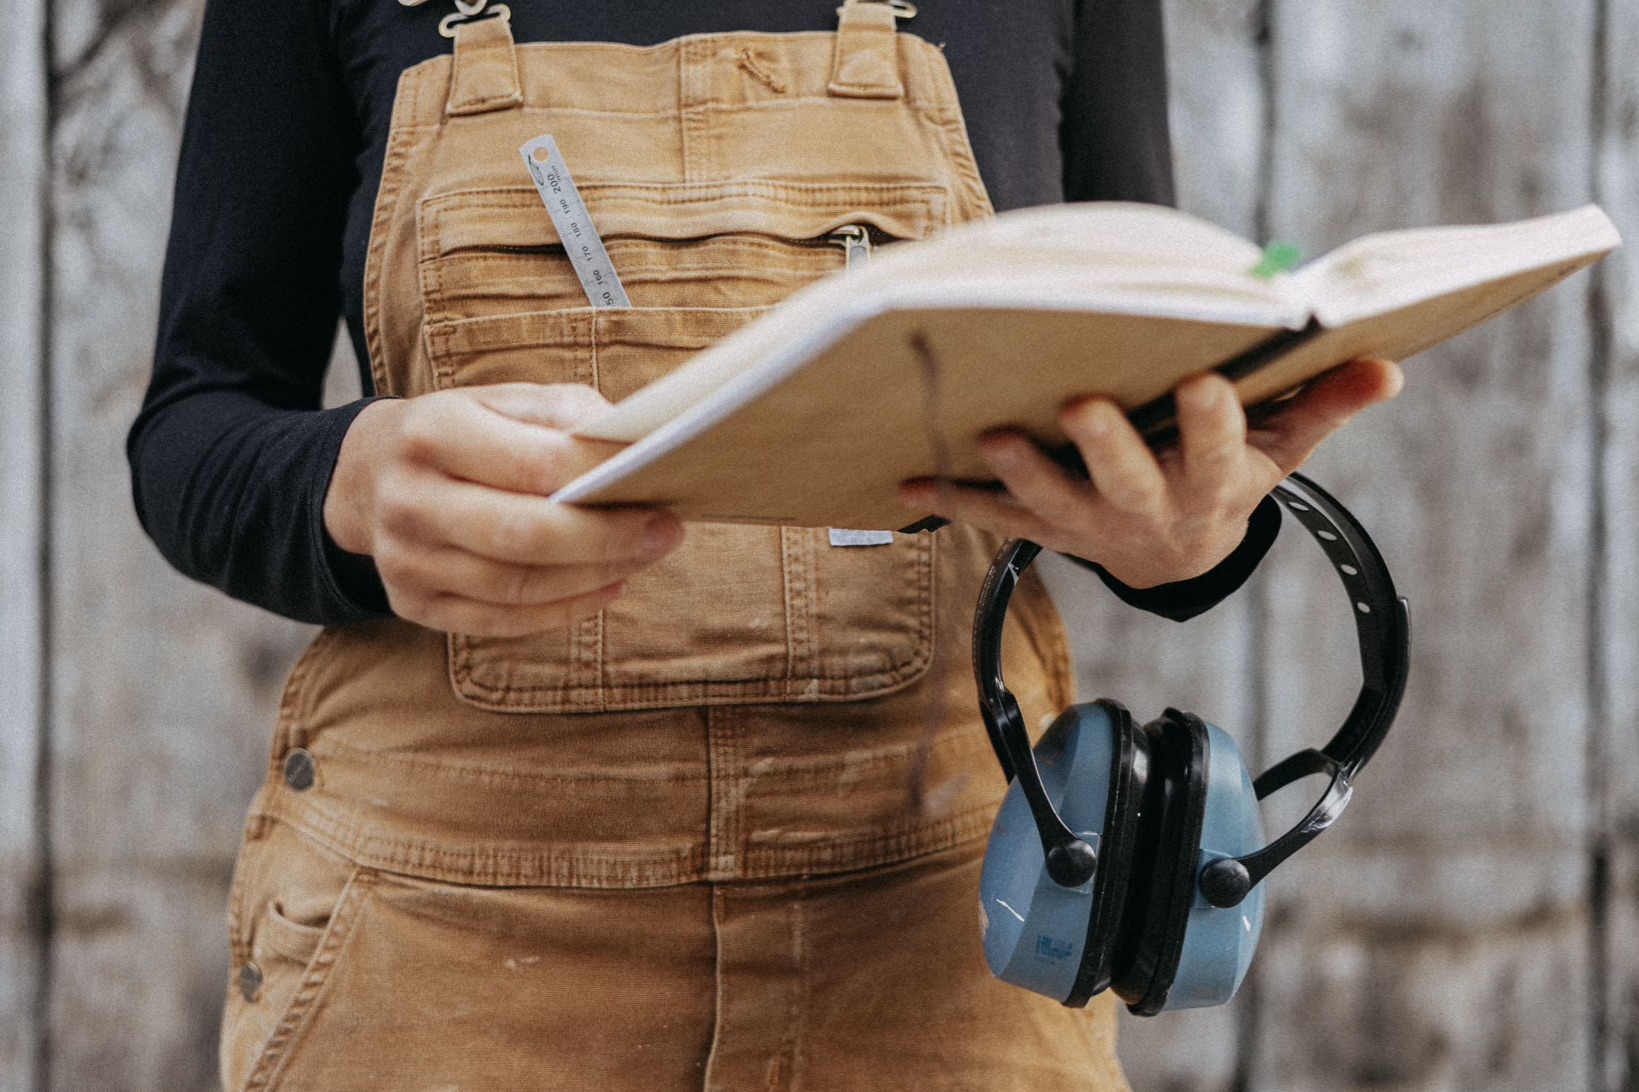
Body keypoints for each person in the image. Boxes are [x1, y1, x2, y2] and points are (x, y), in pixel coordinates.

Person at [129, 0, 1401, 1088]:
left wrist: (1180, 539)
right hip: (435, 948)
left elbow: (1136, 380)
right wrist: (344, 487)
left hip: (940, 943)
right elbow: (195, 423)